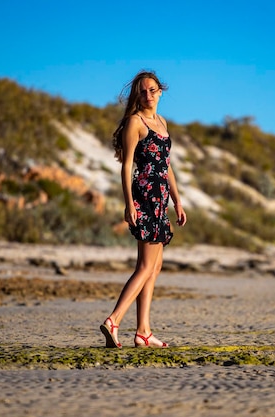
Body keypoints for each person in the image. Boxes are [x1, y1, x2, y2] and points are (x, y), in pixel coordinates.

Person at [101, 70, 187, 348]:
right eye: (142, 91)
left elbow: (167, 166)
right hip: (145, 194)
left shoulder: (161, 122)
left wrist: (177, 200)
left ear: (160, 91)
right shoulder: (134, 123)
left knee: (155, 265)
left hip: (161, 196)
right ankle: (113, 320)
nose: (148, 95)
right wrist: (129, 204)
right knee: (146, 265)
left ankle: (143, 331)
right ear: (137, 96)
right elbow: (127, 167)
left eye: (152, 90)